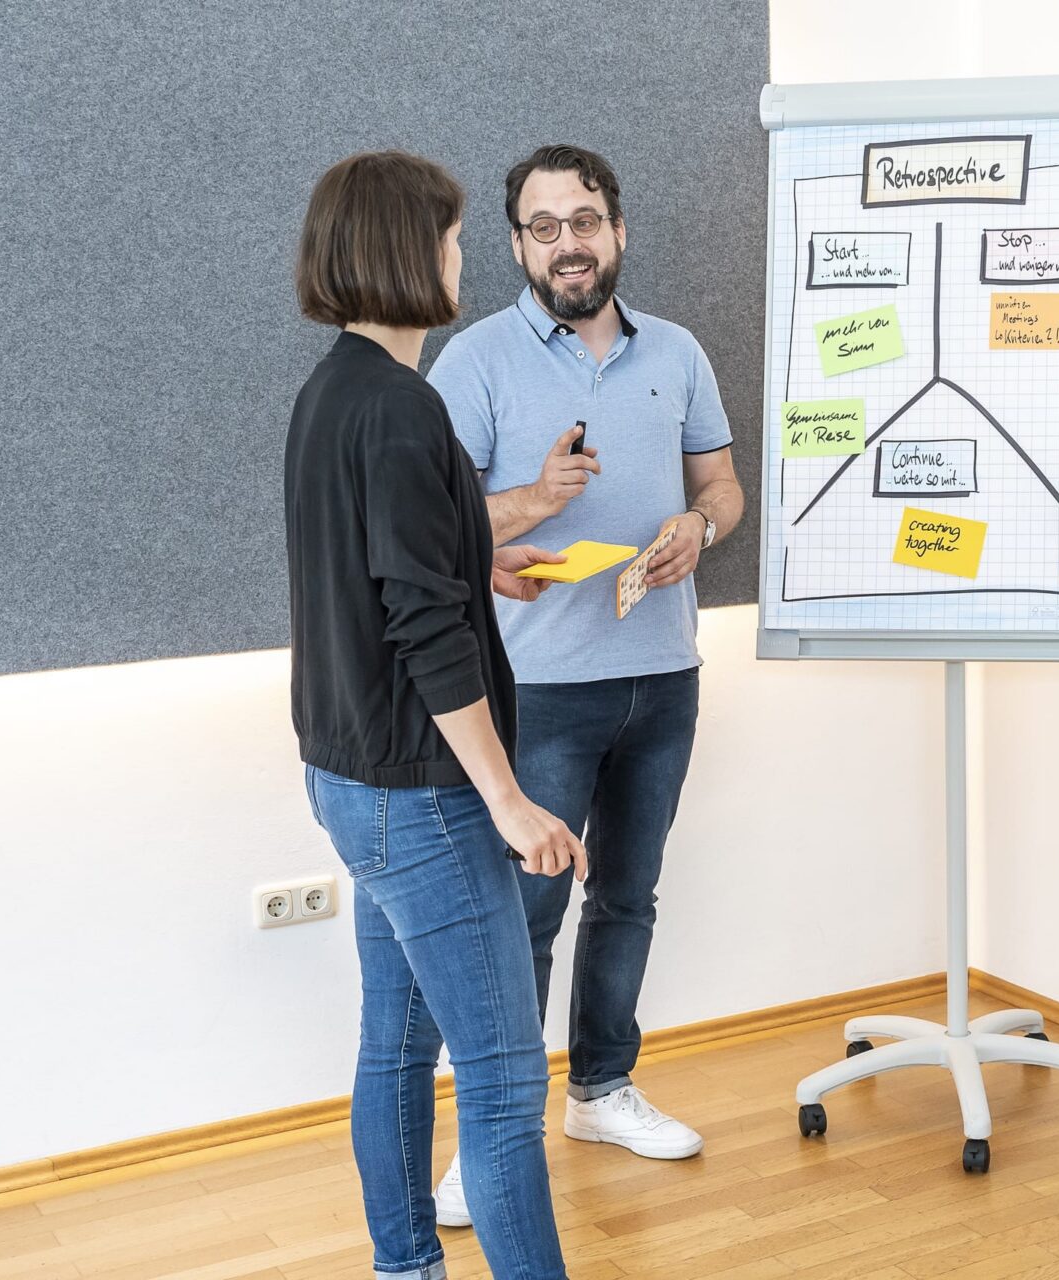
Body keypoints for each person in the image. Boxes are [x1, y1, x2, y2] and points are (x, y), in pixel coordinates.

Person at [426, 143, 742, 1224]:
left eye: (586, 221)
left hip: (664, 674)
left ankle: (602, 1090)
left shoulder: (679, 351)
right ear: (519, 245)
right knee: (522, 914)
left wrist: (700, 526)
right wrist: (533, 497)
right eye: (545, 226)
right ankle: (491, 1136)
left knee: (627, 898)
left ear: (618, 231)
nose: (569, 242)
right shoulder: (474, 361)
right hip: (537, 691)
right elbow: (431, 522)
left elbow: (722, 483)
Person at [285, 149, 585, 1280]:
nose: (464, 259)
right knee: (504, 1084)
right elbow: (423, 629)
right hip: (422, 795)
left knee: (398, 1046)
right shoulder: (404, 409)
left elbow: (382, 569)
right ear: (410, 251)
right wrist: (507, 799)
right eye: (456, 239)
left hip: (348, 779)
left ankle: (406, 1266)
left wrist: (475, 560)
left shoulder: (334, 392)